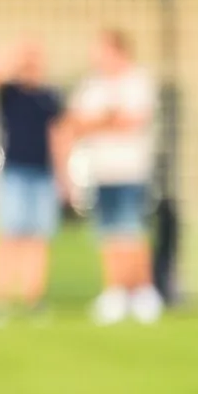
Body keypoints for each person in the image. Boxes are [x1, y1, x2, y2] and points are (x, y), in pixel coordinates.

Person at [60, 29, 162, 325]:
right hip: (101, 171)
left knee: (131, 232)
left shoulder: (138, 81)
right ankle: (115, 291)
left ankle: (142, 292)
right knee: (108, 234)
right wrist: (105, 119)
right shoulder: (92, 84)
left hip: (131, 170)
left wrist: (98, 121)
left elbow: (131, 121)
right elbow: (74, 121)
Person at [0, 40, 64, 319]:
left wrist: (64, 178)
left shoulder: (50, 97)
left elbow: (58, 137)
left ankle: (34, 299)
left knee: (38, 240)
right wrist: (15, 55)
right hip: (15, 174)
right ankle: (0, 301)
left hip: (43, 175)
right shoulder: (10, 93)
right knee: (10, 237)